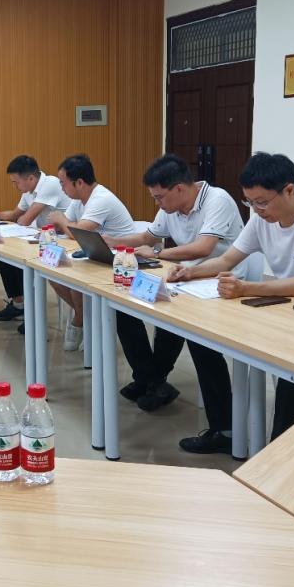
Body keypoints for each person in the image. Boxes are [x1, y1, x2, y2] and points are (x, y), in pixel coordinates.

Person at [168, 152, 294, 453]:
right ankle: (225, 431)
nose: (256, 210)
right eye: (250, 202)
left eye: (262, 202)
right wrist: (189, 272)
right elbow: (227, 260)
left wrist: (246, 288)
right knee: (202, 339)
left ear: (289, 190)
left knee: (292, 372)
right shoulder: (261, 219)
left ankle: (276, 454)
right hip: (285, 310)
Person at [104, 154, 243, 414]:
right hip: (187, 277)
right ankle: (151, 380)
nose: (157, 203)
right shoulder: (170, 206)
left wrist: (157, 254)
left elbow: (204, 247)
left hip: (222, 280)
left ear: (179, 189)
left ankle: (155, 383)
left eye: (159, 197)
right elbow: (147, 237)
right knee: (125, 310)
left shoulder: (217, 200)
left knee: (186, 328)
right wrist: (112, 241)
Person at [47, 154, 135, 351]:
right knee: (53, 274)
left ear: (79, 182)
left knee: (75, 277)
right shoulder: (78, 199)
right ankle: (84, 317)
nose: (61, 188)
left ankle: (82, 320)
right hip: (95, 254)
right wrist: (61, 224)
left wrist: (61, 220)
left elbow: (77, 231)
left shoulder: (100, 199)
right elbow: (68, 229)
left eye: (63, 183)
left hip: (119, 260)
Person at [0, 155, 71, 333]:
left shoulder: (50, 184)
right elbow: (14, 215)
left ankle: (34, 314)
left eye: (16, 182)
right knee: (3, 252)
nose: (14, 186)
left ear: (31, 178)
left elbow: (25, 220)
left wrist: (18, 220)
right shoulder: (27, 190)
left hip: (64, 240)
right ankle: (19, 305)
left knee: (23, 259)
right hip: (44, 237)